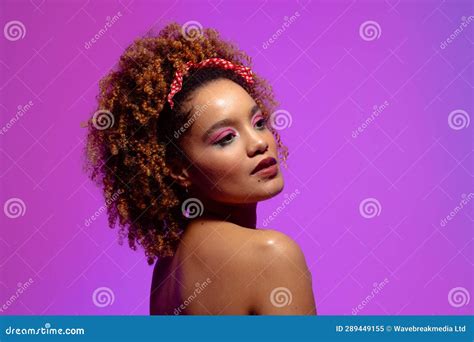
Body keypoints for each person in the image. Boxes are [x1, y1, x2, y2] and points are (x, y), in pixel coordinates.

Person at [83, 22, 316, 315]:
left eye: (258, 123)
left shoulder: (167, 270)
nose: (259, 143)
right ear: (178, 169)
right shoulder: (271, 255)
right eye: (226, 138)